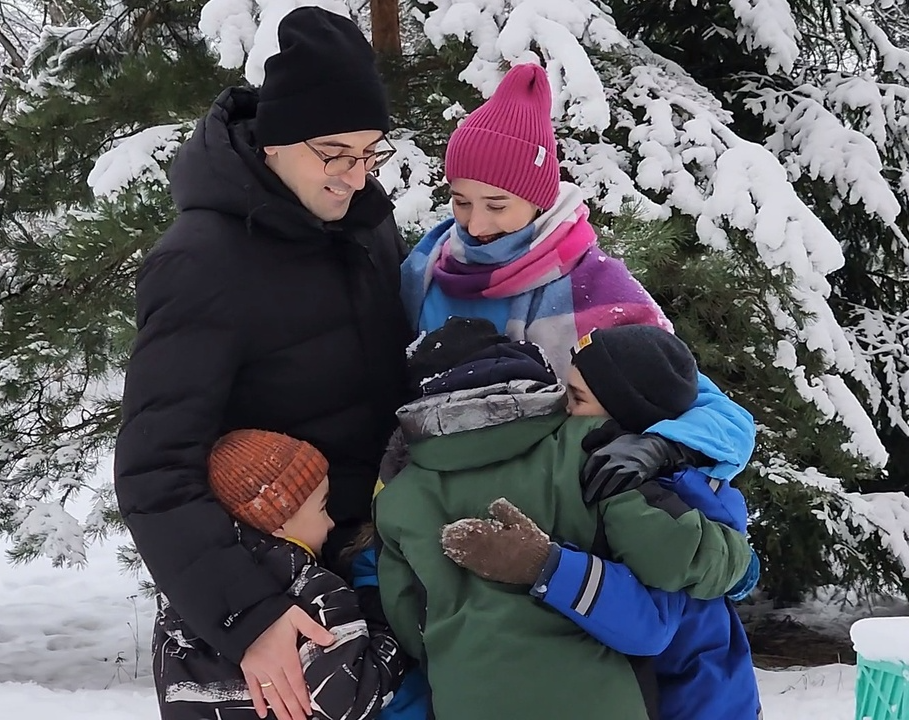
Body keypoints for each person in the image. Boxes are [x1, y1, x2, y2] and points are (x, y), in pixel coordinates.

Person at [113, 8, 411, 720]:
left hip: (375, 582)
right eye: (333, 152)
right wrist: (246, 616)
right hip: (274, 605)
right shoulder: (200, 262)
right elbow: (154, 470)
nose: (353, 176)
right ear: (273, 143)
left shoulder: (367, 227)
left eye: (370, 152)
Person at [400, 62, 755, 496]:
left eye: (496, 205)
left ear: (539, 200)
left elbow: (718, 414)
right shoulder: (426, 269)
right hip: (432, 497)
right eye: (460, 201)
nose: (474, 226)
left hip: (555, 511)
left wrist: (661, 447)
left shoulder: (596, 288)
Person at [374, 319, 753, 719]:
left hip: (697, 685)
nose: (567, 410)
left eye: (575, 397)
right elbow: (668, 585)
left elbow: (408, 622)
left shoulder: (397, 493)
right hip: (640, 691)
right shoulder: (592, 455)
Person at [154, 430, 407, 720]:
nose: (330, 522)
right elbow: (356, 699)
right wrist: (384, 620)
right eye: (323, 507)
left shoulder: (183, 601)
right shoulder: (313, 588)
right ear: (279, 521)